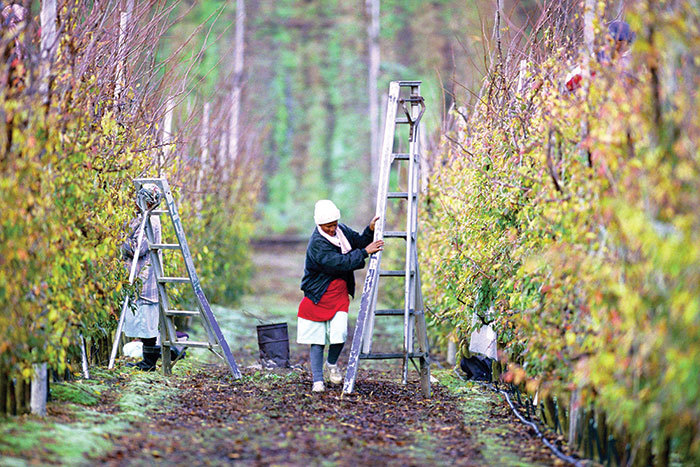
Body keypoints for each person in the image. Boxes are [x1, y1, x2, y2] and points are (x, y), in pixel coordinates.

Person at [298, 200, 384, 392]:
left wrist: (369, 230)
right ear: (319, 225)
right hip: (317, 293)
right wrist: (363, 253)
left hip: (339, 293)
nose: (332, 229)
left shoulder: (341, 230)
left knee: (340, 332)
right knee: (318, 338)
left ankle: (331, 364)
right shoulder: (317, 244)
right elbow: (340, 263)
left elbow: (360, 242)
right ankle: (317, 381)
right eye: (328, 226)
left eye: (334, 224)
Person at [121, 184, 164, 371]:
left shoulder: (151, 222)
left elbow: (137, 248)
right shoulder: (140, 219)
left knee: (147, 321)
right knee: (141, 320)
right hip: (138, 276)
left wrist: (121, 240)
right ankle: (147, 362)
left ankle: (149, 363)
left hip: (145, 277)